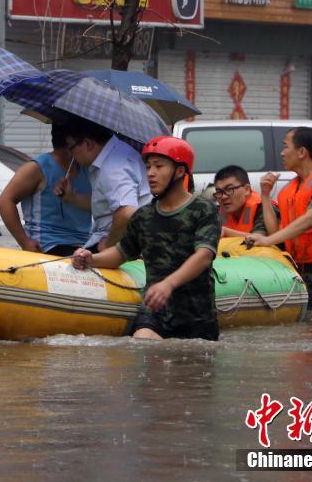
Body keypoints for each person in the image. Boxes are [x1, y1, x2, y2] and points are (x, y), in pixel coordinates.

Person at [72, 136, 221, 341]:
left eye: (159, 166)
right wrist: (91, 259)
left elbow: (204, 256)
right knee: (143, 342)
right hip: (156, 315)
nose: (150, 173)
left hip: (197, 317)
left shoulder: (204, 210)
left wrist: (168, 284)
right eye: (148, 166)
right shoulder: (143, 216)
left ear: (179, 171)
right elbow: (121, 253)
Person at [244, 127, 312, 311]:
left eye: (286, 147)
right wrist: (265, 195)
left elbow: (311, 218)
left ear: (302, 152)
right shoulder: (290, 190)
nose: (282, 153)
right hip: (299, 279)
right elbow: (276, 233)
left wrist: (268, 240)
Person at [0, 123, 92, 256]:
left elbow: (98, 205)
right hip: (47, 246)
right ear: (70, 145)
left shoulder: (87, 168)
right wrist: (24, 241)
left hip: (85, 245)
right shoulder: (37, 168)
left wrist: (73, 198)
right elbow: (4, 201)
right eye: (85, 141)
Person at [63, 117, 150, 251]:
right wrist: (71, 198)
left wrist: (108, 244)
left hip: (125, 243)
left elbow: (126, 213)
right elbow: (106, 205)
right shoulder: (112, 154)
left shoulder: (113, 167)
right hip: (124, 237)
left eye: (71, 147)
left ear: (88, 144)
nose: (70, 154)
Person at [213, 165, 278, 238]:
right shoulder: (217, 211)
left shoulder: (263, 208)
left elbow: (262, 238)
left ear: (247, 190)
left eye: (229, 189)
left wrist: (226, 232)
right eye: (219, 192)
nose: (223, 197)